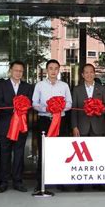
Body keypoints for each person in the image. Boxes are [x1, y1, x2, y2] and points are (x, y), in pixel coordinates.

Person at [32, 59, 72, 192]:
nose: (53, 71)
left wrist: (59, 109)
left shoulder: (64, 86)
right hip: (44, 120)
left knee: (60, 152)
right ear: (46, 70)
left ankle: (60, 181)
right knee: (43, 151)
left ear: (58, 70)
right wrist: (47, 109)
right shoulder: (40, 85)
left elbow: (69, 103)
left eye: (56, 68)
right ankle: (41, 182)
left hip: (61, 121)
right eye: (51, 68)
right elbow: (34, 103)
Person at [0, 60, 34, 193]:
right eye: (16, 70)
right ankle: (3, 181)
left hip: (21, 125)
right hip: (6, 124)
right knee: (4, 153)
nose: (18, 73)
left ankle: (18, 181)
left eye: (21, 71)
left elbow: (29, 104)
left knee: (19, 154)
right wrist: (15, 109)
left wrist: (22, 110)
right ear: (10, 71)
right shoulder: (2, 85)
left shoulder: (28, 87)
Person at [71, 63, 105, 192]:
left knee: (97, 154)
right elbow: (73, 110)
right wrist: (74, 126)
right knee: (81, 155)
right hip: (82, 126)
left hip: (97, 125)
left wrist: (98, 108)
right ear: (82, 75)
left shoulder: (102, 89)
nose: (89, 74)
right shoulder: (77, 89)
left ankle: (97, 182)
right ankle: (80, 182)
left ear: (95, 73)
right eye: (86, 72)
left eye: (91, 72)